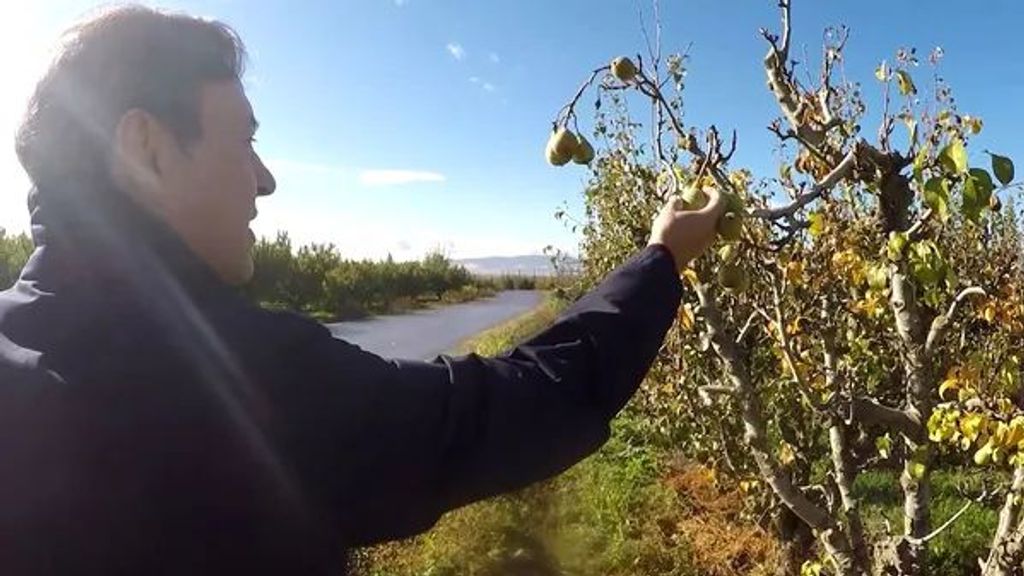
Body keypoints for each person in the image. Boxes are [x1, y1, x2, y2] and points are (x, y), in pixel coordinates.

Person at [0, 5, 724, 575]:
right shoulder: (245, 386)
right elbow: (509, 407)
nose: (265, 179)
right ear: (146, 146)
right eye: (245, 140)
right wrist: (661, 260)